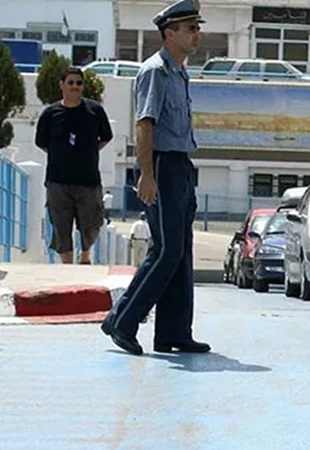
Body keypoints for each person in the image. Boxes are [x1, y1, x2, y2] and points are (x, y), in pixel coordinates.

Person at [101, 0, 210, 356]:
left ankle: (173, 333)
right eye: (190, 28)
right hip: (161, 165)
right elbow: (145, 124)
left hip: (180, 165)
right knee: (167, 250)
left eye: (197, 27)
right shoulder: (155, 71)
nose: (196, 34)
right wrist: (147, 174)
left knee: (182, 252)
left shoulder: (179, 71)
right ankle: (122, 321)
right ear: (169, 33)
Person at [35, 67, 113, 265]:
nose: (75, 87)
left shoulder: (94, 111)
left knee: (92, 223)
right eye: (70, 82)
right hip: (58, 181)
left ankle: (85, 254)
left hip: (88, 180)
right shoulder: (50, 114)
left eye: (79, 83)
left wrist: (89, 151)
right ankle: (67, 266)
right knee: (61, 226)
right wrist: (60, 154)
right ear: (62, 85)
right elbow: (42, 142)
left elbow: (106, 137)